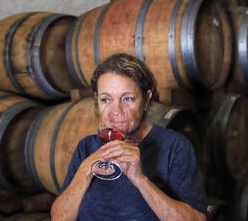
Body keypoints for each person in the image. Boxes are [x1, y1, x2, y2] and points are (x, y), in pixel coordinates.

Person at [51, 53, 208, 221]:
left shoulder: (174, 146)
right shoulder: (86, 147)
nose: (115, 111)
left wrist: (140, 179)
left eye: (127, 99)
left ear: (146, 100)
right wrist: (86, 169)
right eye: (106, 100)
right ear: (97, 101)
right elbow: (59, 218)